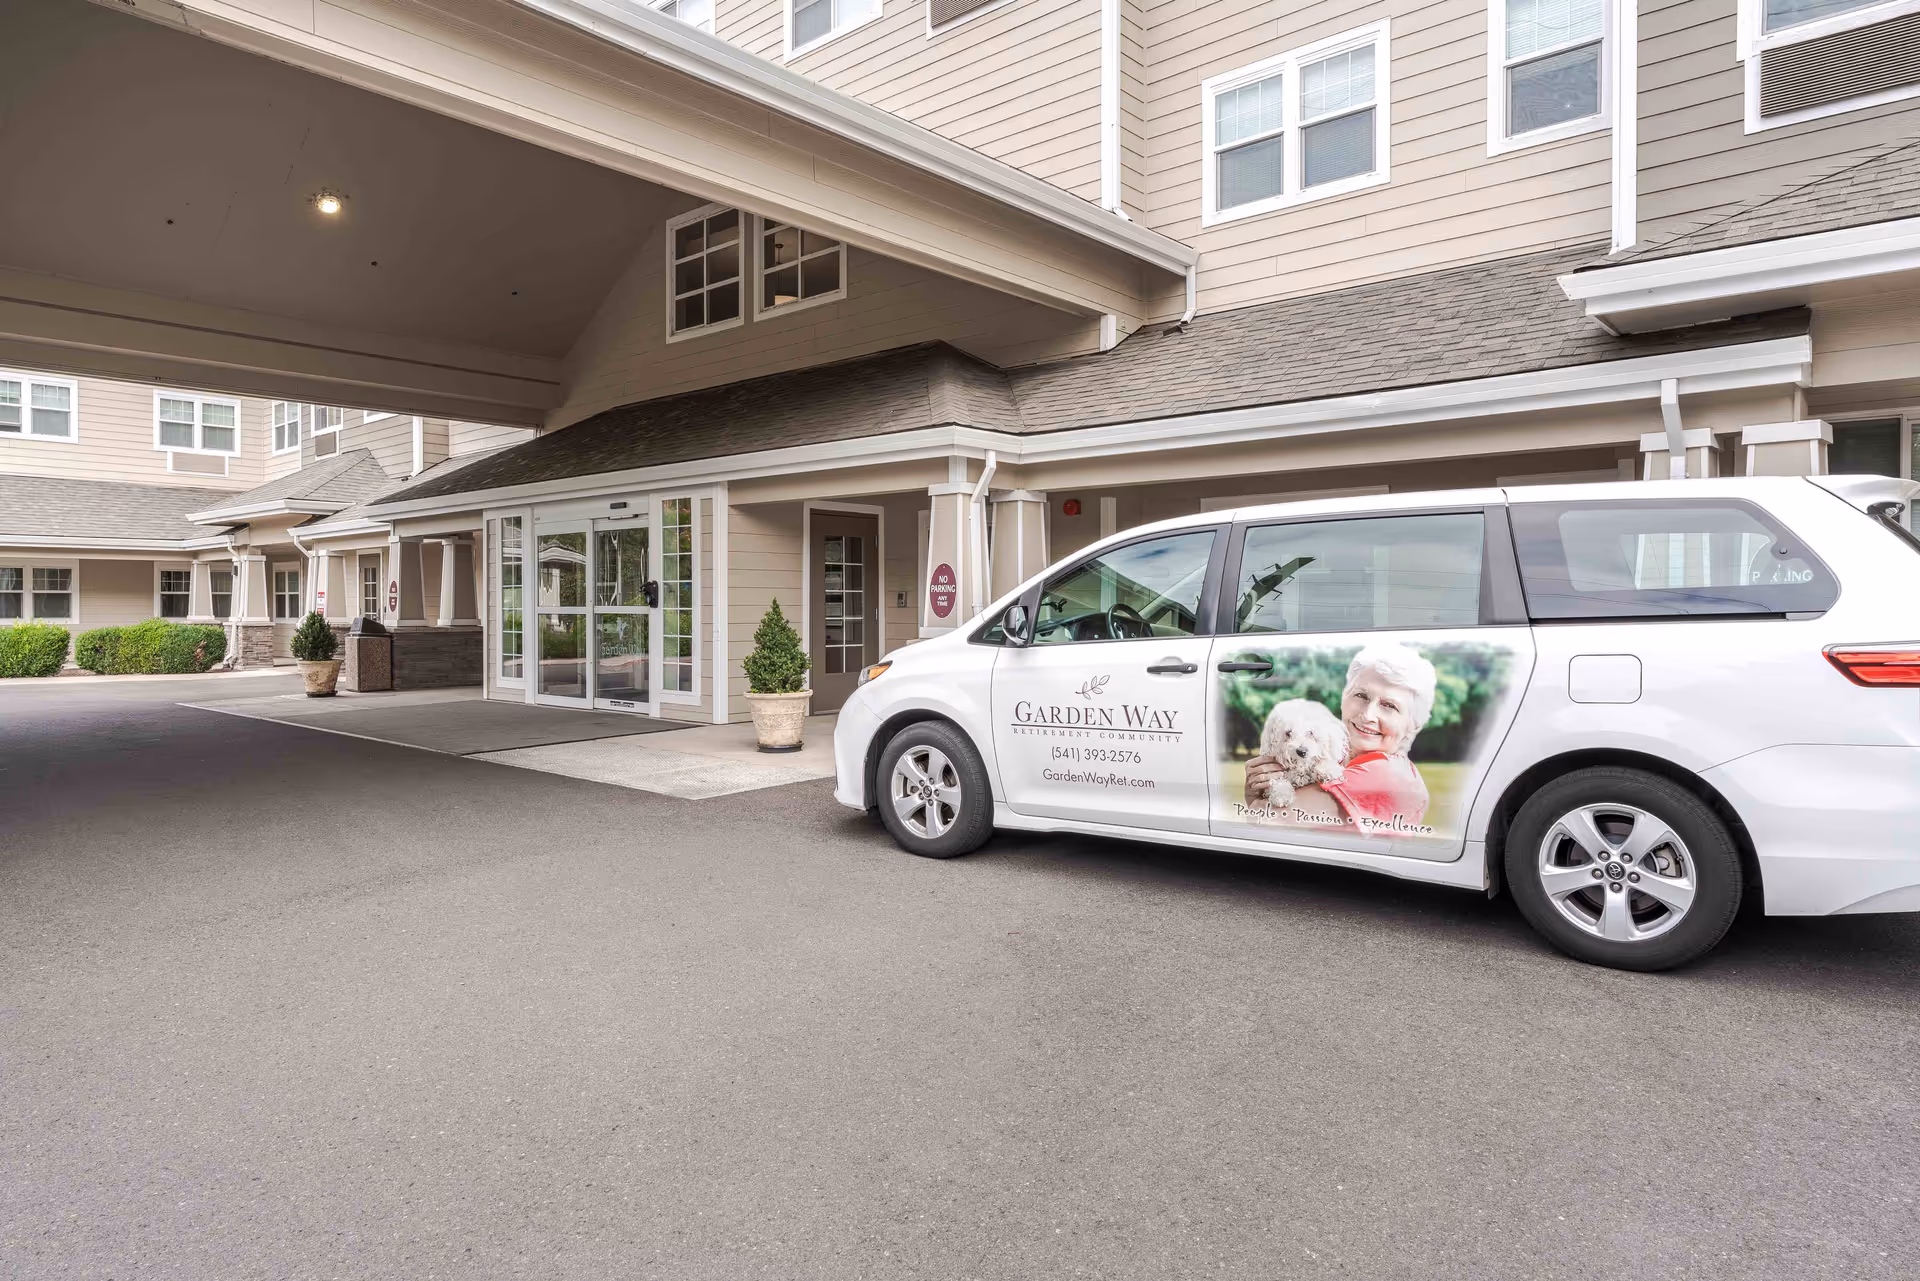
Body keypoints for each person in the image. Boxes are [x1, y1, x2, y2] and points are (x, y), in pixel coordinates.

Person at [1243, 642, 1436, 833]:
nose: (1368, 715)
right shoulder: (1336, 759)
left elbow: (1267, 819)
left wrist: (1254, 801)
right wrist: (1258, 792)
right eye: (1361, 695)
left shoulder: (1388, 775)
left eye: (1390, 706)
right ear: (1345, 697)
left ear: (1413, 725)